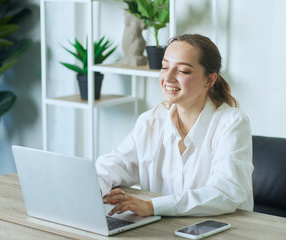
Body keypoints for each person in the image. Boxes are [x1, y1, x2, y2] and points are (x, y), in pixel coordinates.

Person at [96, 34, 253, 217]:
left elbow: (227, 190)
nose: (168, 77)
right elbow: (112, 166)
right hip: (160, 230)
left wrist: (152, 206)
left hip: (222, 230)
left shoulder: (232, 123)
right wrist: (94, 188)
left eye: (183, 71)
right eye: (164, 67)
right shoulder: (150, 121)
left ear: (209, 80)